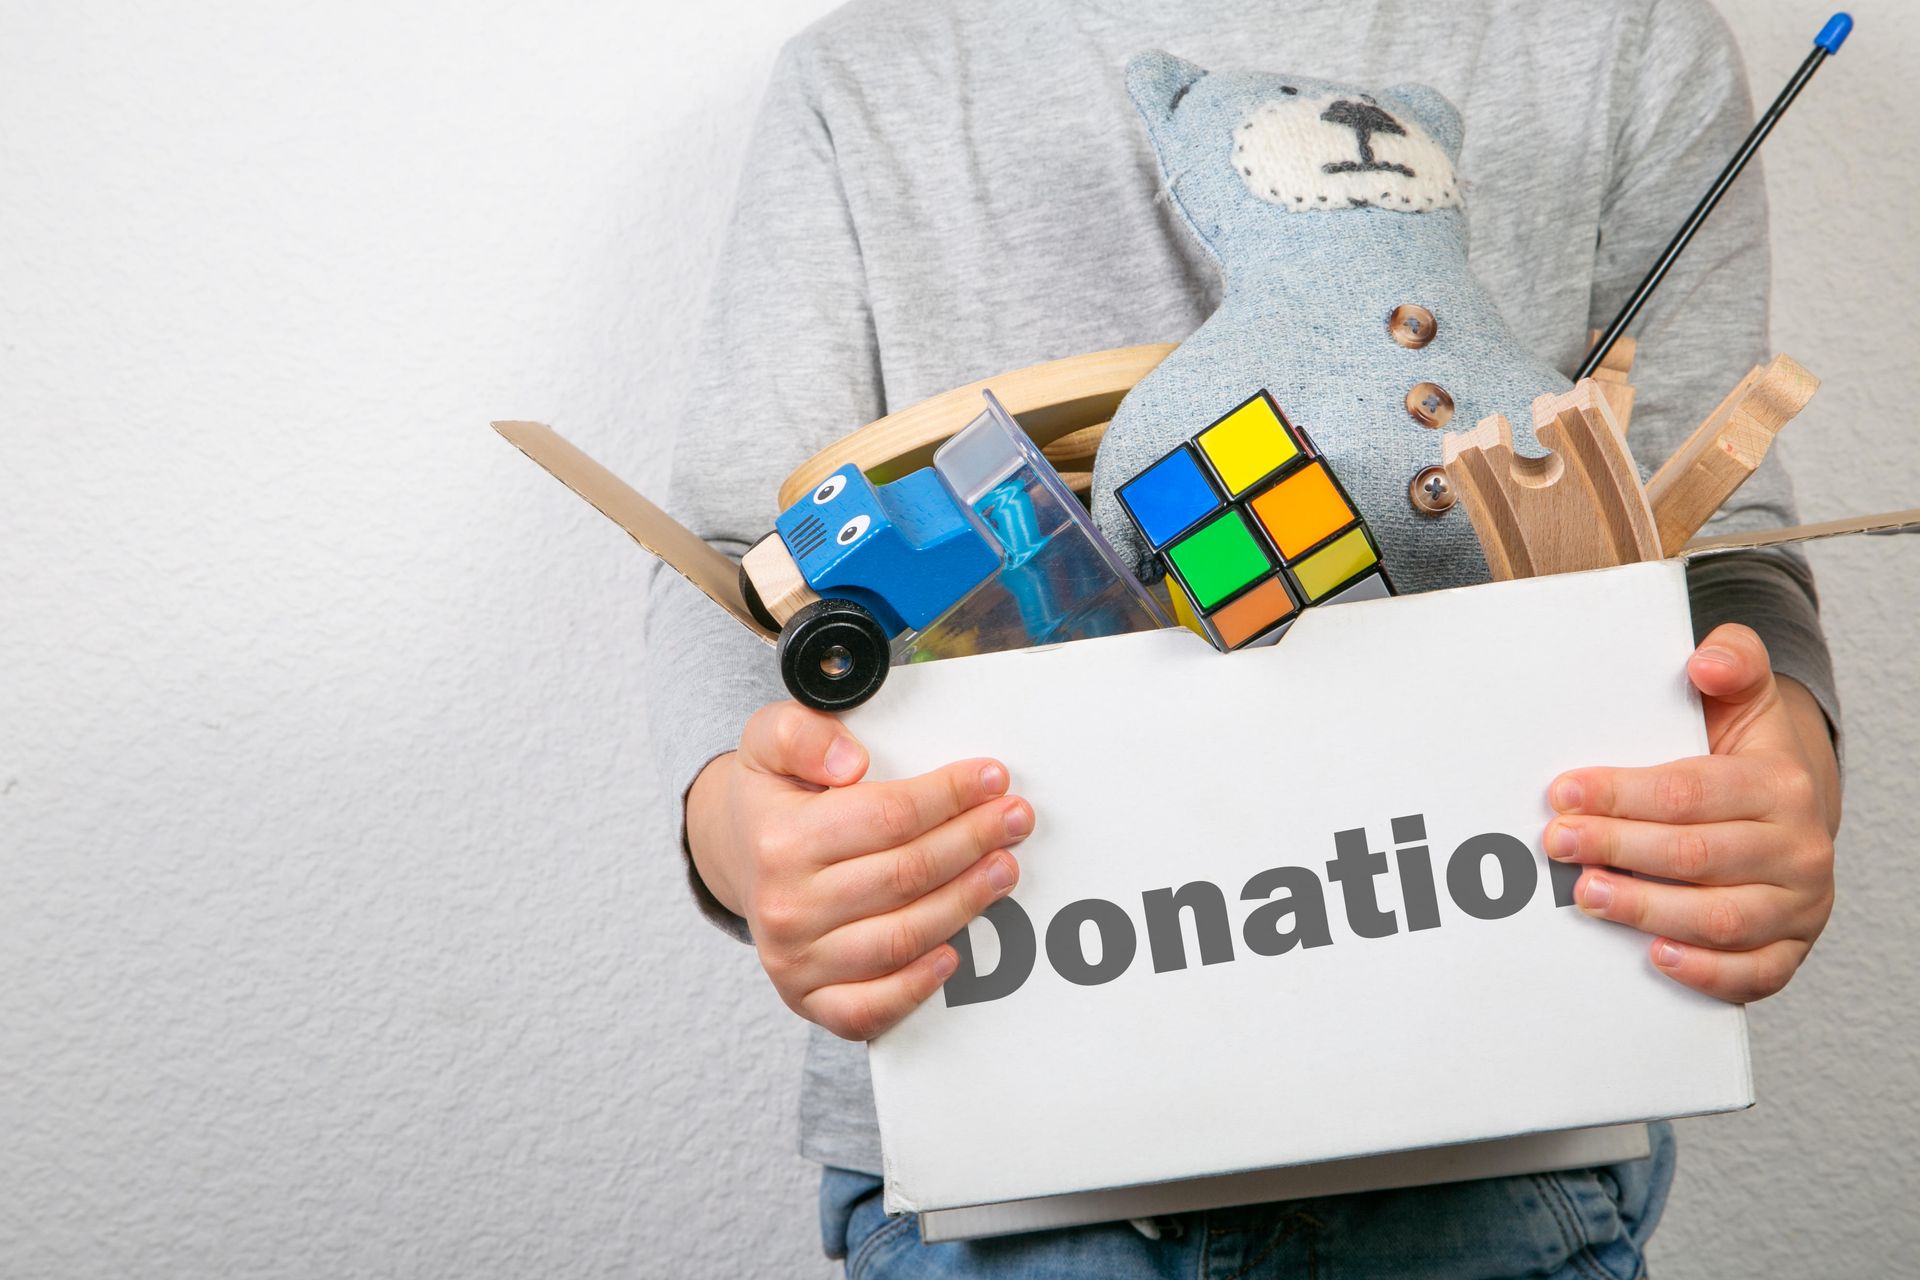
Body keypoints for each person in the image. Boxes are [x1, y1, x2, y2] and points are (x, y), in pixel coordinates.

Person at [646, 0, 1843, 1274]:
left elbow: (1710, 528)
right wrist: (748, 831)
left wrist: (1782, 767)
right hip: (996, 1144)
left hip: (1495, 1124)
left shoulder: (1626, 37)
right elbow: (738, 564)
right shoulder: (861, 78)